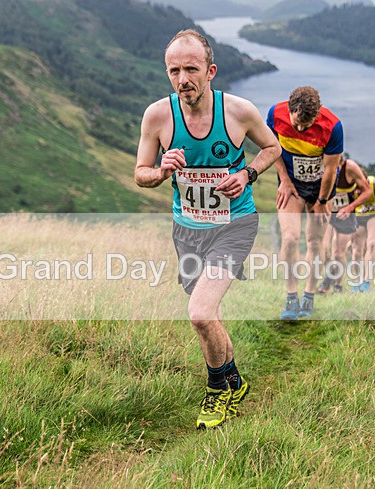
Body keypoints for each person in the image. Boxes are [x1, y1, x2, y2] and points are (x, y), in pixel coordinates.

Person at [134, 29, 281, 429]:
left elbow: (273, 148)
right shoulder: (157, 116)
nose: (183, 79)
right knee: (209, 313)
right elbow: (140, 173)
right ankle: (234, 380)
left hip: (234, 225)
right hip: (187, 229)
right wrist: (160, 171)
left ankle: (217, 393)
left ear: (210, 71)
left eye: (191, 69)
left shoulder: (239, 111)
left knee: (199, 314)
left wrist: (247, 174)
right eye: (174, 71)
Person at [268, 86, 343, 320]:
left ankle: (309, 296)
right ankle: (291, 297)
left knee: (315, 242)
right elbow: (271, 149)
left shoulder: (333, 126)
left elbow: (330, 169)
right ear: (289, 110)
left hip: (321, 189)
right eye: (296, 124)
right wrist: (284, 180)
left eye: (306, 125)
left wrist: (322, 201)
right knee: (290, 239)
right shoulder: (275, 114)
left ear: (317, 116)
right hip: (292, 184)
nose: (300, 130)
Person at [318, 154, 367, 294]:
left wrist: (350, 207)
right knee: (324, 249)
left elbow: (366, 191)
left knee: (338, 254)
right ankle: (329, 275)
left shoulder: (349, 169)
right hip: (329, 213)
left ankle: (338, 285)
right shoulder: (322, 166)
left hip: (346, 216)